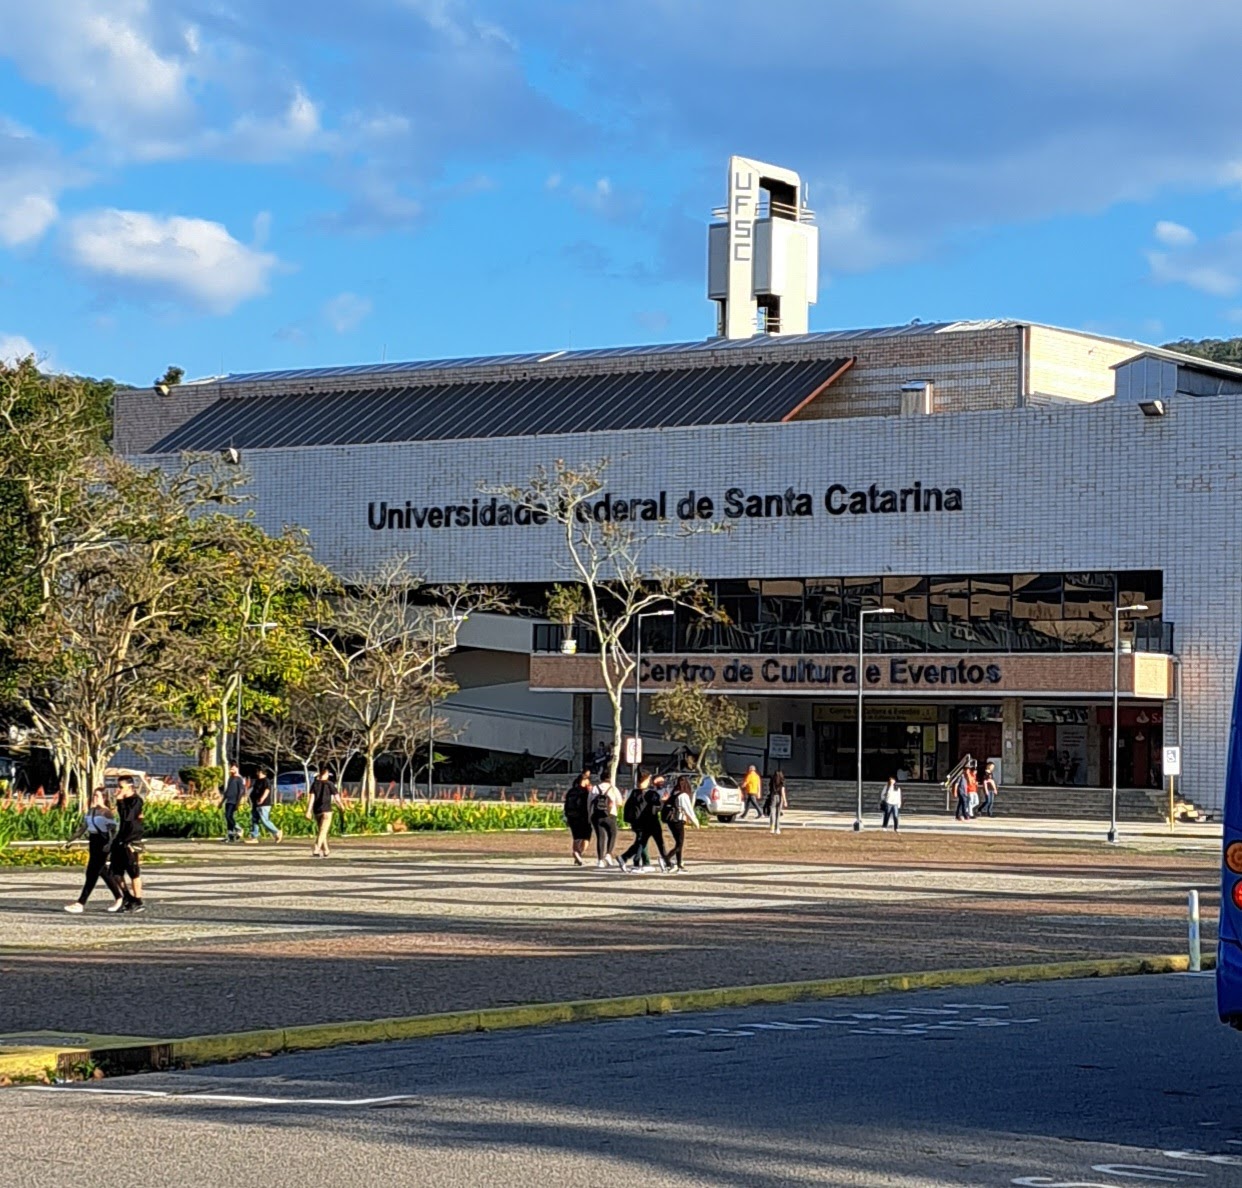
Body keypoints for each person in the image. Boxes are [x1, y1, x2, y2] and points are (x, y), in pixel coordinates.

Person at [63, 788, 124, 913]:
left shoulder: (107, 813)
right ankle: (120, 897)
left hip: (103, 843)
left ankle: (81, 902)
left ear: (104, 798)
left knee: (92, 873)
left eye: (97, 796)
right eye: (94, 795)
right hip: (93, 842)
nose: (95, 798)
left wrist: (110, 845)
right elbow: (83, 828)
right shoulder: (91, 812)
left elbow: (113, 830)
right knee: (103, 872)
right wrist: (70, 840)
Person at [620, 771, 672, 873]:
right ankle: (635, 862)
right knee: (648, 843)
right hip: (650, 822)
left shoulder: (634, 793)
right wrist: (663, 801)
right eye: (648, 779)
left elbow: (629, 808)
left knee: (641, 843)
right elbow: (657, 808)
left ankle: (636, 861)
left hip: (638, 822)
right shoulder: (651, 794)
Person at [110, 775, 146, 913]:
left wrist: (120, 802)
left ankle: (138, 900)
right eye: (117, 787)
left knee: (133, 872)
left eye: (121, 787)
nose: (118, 790)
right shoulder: (124, 801)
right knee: (115, 872)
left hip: (132, 839)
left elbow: (128, 817)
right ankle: (127, 897)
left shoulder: (136, 801)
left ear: (129, 786)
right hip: (121, 837)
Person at [662, 775, 700, 871]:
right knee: (679, 844)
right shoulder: (683, 795)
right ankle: (666, 859)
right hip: (678, 821)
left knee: (678, 843)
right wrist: (695, 822)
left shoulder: (674, 793)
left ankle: (679, 864)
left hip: (671, 821)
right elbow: (688, 810)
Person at [306, 765, 341, 857]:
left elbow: (311, 798)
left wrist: (308, 810)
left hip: (317, 810)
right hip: (327, 810)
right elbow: (337, 797)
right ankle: (316, 848)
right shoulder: (330, 784)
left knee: (322, 831)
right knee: (323, 830)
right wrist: (341, 806)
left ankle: (326, 850)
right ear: (325, 774)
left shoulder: (314, 784)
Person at [563, 770, 594, 866]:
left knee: (576, 837)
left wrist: (567, 816)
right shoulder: (586, 792)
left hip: (572, 816)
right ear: (585, 781)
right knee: (586, 838)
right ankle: (578, 853)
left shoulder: (571, 791)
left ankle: (576, 854)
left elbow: (566, 805)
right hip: (583, 816)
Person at [590, 777, 622, 868]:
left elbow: (589, 802)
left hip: (596, 815)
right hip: (610, 814)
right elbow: (619, 802)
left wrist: (590, 815)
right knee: (612, 834)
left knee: (600, 837)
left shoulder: (595, 788)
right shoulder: (613, 788)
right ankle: (608, 853)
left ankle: (600, 860)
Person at [246, 765, 282, 844]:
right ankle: (254, 837)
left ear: (261, 772)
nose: (256, 773)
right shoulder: (257, 781)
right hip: (256, 804)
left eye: (258, 771)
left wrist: (262, 798)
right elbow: (254, 791)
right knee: (254, 820)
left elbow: (267, 790)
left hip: (264, 804)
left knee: (264, 820)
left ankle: (276, 831)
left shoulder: (266, 780)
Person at [221, 761, 245, 843]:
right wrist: (222, 801)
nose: (231, 769)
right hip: (228, 800)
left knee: (228, 816)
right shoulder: (230, 778)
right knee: (228, 817)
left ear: (237, 768)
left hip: (234, 801)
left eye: (233, 767)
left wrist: (238, 802)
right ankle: (230, 835)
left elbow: (241, 791)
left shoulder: (239, 779)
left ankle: (238, 828)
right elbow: (227, 790)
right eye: (230, 768)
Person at [766, 769, 788, 834]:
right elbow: (782, 791)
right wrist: (785, 801)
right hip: (780, 797)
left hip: (773, 796)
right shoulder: (782, 781)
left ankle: (772, 827)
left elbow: (769, 788)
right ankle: (777, 828)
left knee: (772, 812)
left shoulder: (772, 780)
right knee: (778, 813)